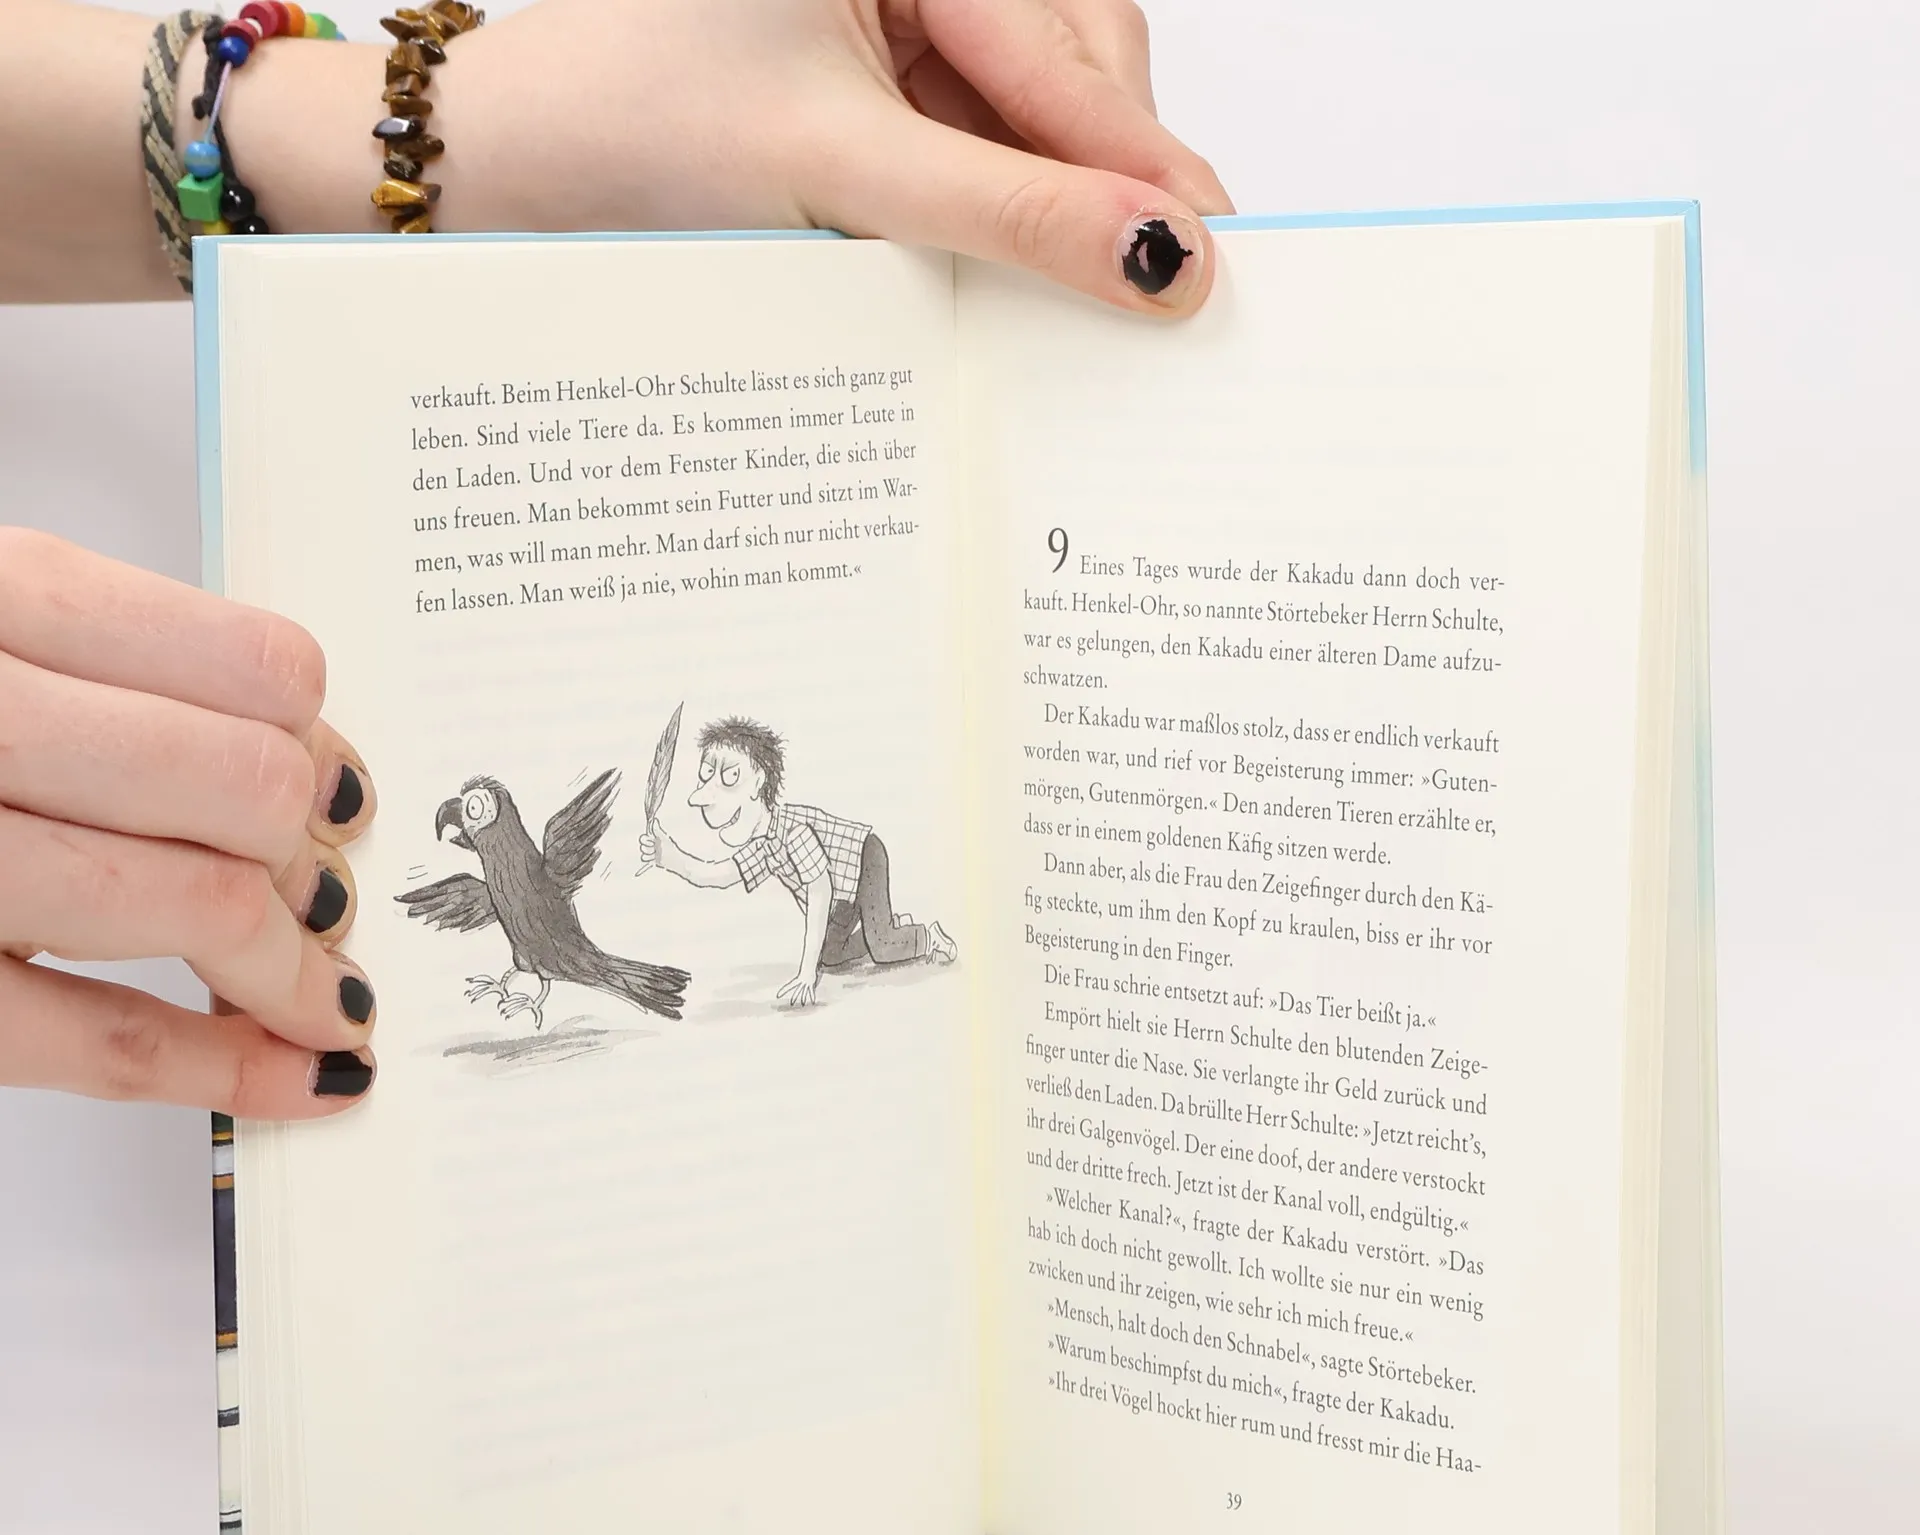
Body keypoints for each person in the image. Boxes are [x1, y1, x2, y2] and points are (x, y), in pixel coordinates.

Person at [0, 0, 1229, 1113]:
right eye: (712, 782)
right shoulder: (707, 839)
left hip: (855, 875)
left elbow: (799, 886)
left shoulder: (789, 836)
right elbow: (685, 861)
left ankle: (909, 945)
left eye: (721, 783)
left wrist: (464, 119)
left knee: (883, 937)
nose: (711, 795)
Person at [643, 715, 957, 1007]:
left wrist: (807, 975)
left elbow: (820, 893)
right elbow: (718, 875)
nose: (703, 795)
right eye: (706, 775)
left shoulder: (794, 833)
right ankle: (890, 924)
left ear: (758, 781)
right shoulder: (764, 844)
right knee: (830, 954)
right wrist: (668, 857)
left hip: (865, 859)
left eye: (731, 776)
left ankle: (928, 937)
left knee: (883, 948)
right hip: (842, 891)